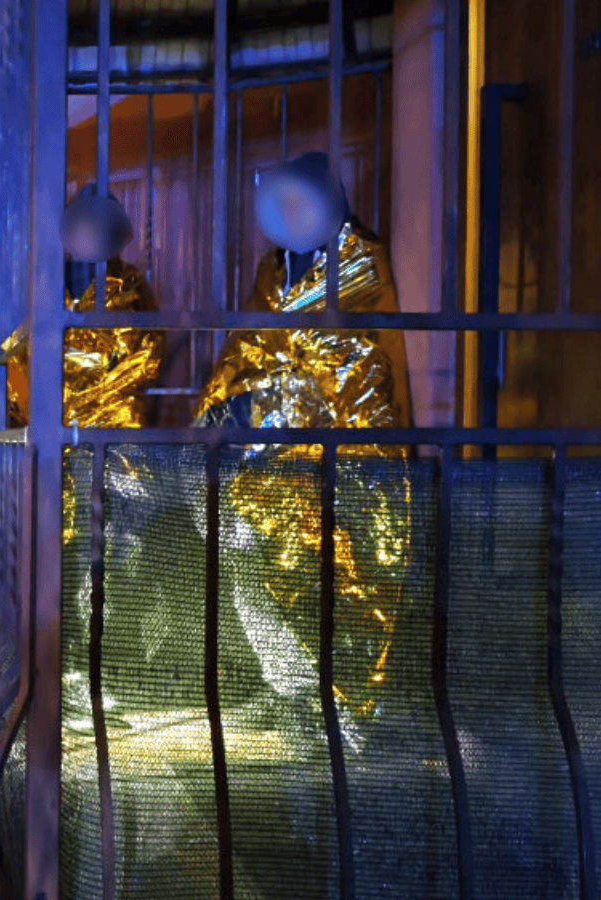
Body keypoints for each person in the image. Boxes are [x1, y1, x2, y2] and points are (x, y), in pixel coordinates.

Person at [192, 150, 412, 745]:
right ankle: (296, 692)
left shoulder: (360, 271)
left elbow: (355, 381)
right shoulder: (275, 272)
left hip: (352, 473)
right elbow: (247, 352)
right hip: (274, 470)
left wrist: (262, 405)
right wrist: (222, 413)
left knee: (341, 582)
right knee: (239, 551)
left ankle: (345, 708)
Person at [5, 185, 165, 430]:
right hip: (50, 427)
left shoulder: (131, 284)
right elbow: (16, 352)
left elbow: (148, 355)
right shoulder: (43, 284)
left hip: (113, 428)